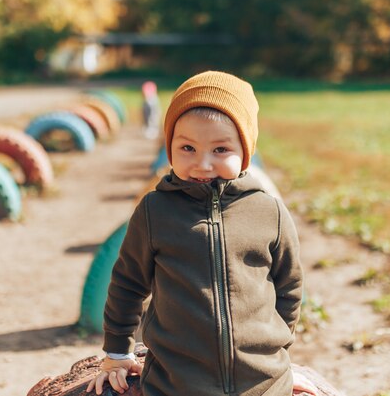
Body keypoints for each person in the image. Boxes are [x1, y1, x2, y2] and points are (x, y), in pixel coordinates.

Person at [87, 71, 317, 396]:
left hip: (262, 383)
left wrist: (274, 358)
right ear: (170, 148)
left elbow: (288, 287)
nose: (203, 164)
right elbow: (127, 285)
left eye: (221, 149)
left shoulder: (270, 212)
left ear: (245, 150)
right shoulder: (155, 211)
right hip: (175, 384)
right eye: (187, 148)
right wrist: (117, 354)